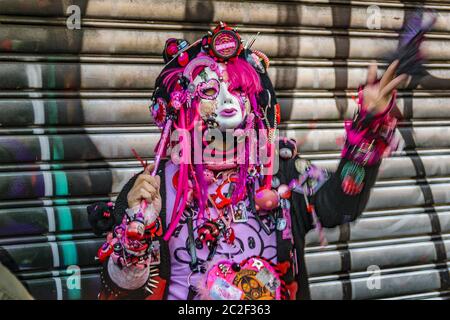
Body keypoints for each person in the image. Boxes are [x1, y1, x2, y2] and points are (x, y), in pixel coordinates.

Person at [87, 14, 433, 300]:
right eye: (210, 91)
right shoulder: (152, 189)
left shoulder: (280, 171)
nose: (227, 103)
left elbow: (340, 205)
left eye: (239, 89)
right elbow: (120, 290)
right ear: (184, 104)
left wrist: (369, 128)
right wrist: (136, 230)